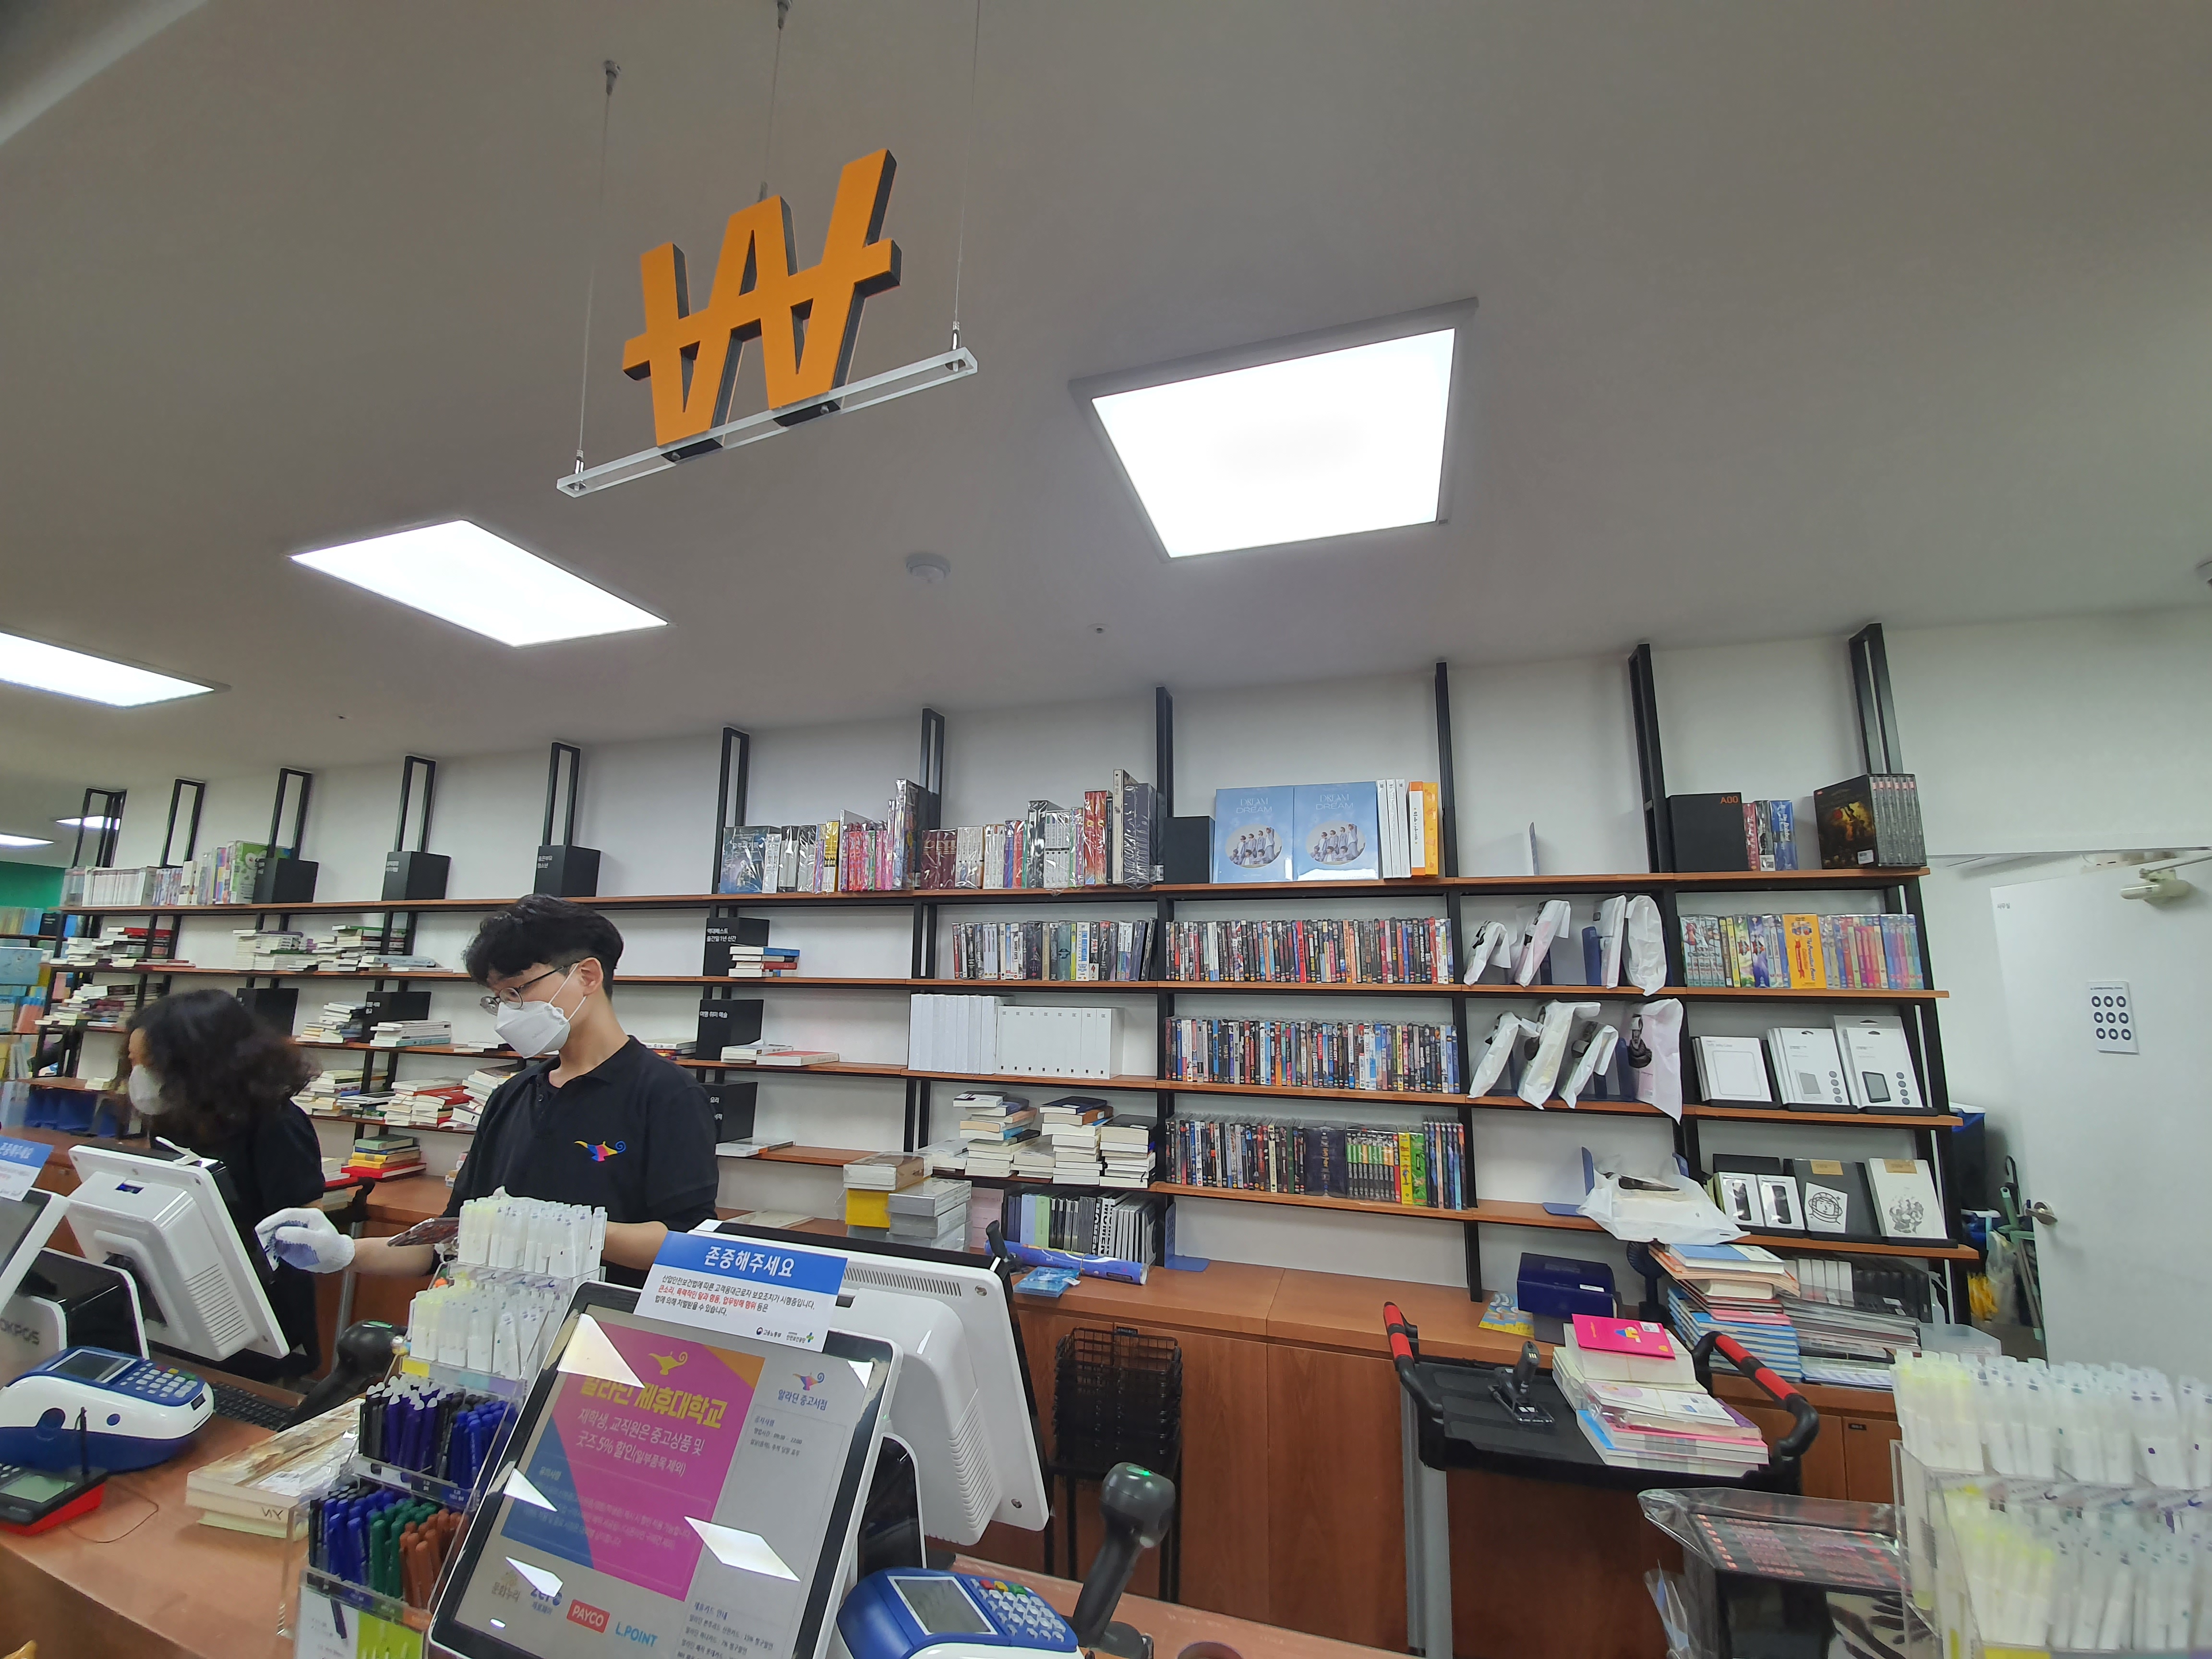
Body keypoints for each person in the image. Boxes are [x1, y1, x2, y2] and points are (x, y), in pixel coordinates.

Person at [258, 895, 718, 1288]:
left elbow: (685, 1243)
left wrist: (560, 1228)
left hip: (599, 1335)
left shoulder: (666, 1094)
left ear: (587, 976)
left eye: (518, 991)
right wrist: (343, 1252)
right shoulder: (512, 1095)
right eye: (499, 998)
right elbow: (444, 1241)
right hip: (493, 1324)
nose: (507, 1012)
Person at [119, 988, 327, 1376]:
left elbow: (303, 1234)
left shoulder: (277, 1124)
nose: (141, 1078)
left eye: (151, 1065)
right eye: (135, 1064)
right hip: (183, 1298)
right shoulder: (173, 1116)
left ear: (195, 1064)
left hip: (258, 1315)